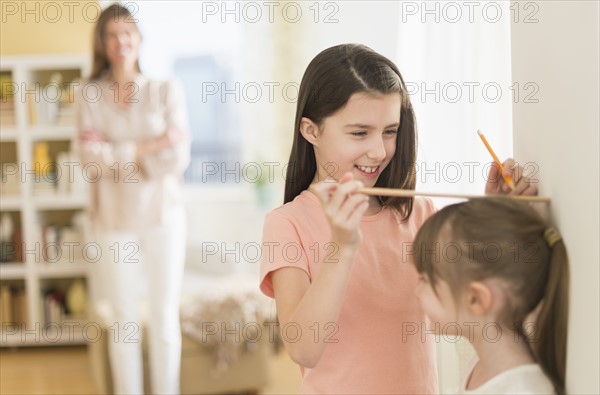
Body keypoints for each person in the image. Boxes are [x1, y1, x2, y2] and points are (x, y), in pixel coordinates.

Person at [259, 43, 537, 394]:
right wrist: (342, 247)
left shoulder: (417, 213)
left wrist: (496, 217)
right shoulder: (288, 223)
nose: (379, 151)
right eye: (359, 132)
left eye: (390, 131)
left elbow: (467, 311)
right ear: (311, 130)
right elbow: (304, 349)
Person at [77, 4, 190, 394]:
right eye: (111, 35)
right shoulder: (89, 95)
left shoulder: (165, 90)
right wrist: (149, 147)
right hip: (112, 220)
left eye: (127, 33)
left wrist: (118, 152)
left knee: (162, 317)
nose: (120, 42)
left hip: (162, 215)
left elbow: (177, 156)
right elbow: (90, 162)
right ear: (102, 43)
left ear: (139, 39)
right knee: (124, 320)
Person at [412, 198, 568, 394]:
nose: (416, 291)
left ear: (476, 299)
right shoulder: (482, 366)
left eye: (426, 280)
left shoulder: (522, 390)